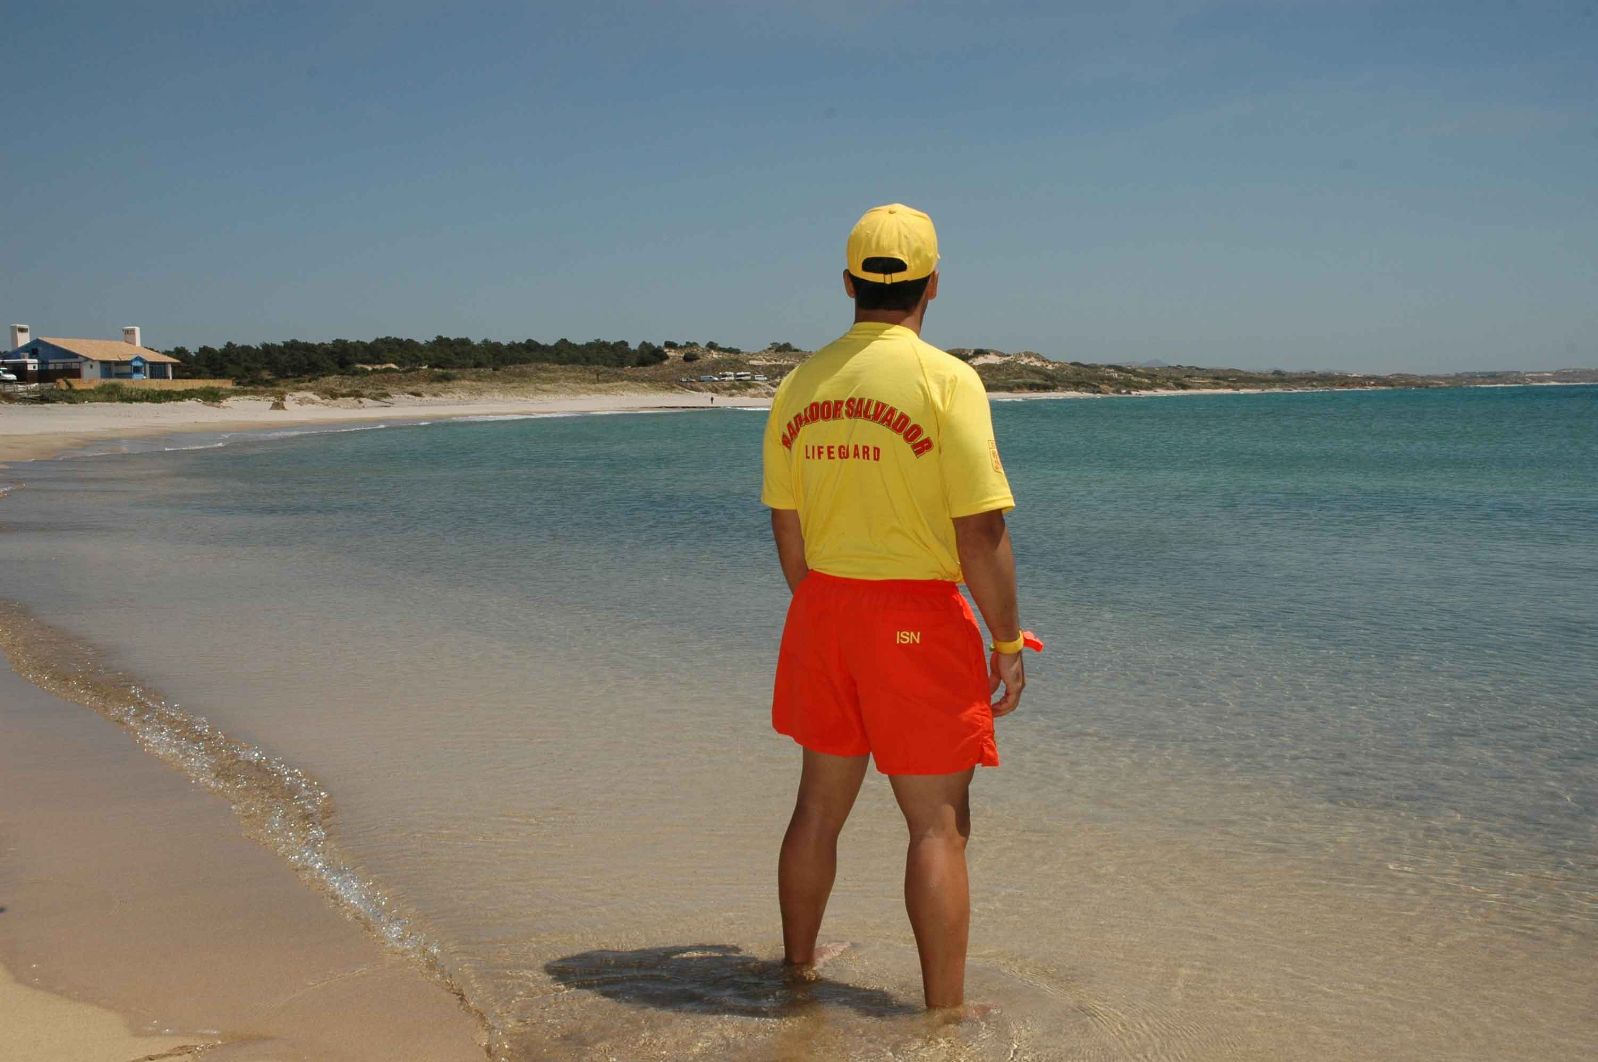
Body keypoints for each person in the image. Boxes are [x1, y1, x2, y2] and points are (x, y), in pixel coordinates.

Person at [761, 203, 1038, 1014]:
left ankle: (799, 970)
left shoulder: (800, 383)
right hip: (915, 619)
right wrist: (1007, 639)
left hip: (822, 609)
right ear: (933, 285)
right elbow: (981, 530)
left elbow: (788, 522)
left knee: (818, 806)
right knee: (937, 826)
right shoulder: (947, 381)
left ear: (849, 283)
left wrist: (821, 612)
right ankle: (944, 1015)